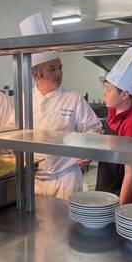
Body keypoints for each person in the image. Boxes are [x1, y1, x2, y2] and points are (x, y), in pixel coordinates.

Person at [19, 14, 102, 200]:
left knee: (67, 228)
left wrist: (87, 148)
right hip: (33, 180)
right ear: (35, 74)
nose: (59, 73)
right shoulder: (24, 101)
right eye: (52, 69)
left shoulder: (73, 99)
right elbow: (13, 135)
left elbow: (93, 128)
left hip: (66, 180)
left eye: (60, 68)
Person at [95, 47, 132, 204]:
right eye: (104, 89)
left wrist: (120, 208)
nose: (104, 94)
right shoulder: (112, 114)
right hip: (109, 188)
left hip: (127, 195)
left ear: (125, 94)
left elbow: (130, 174)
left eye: (108, 89)